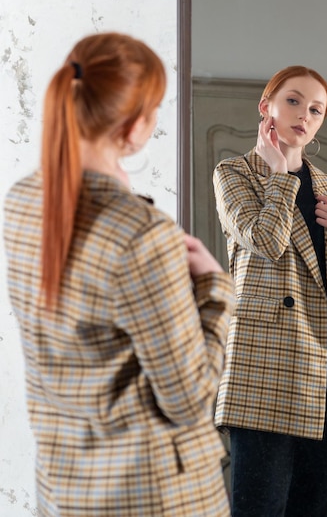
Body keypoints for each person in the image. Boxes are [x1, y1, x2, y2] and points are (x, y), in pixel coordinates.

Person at [3, 32, 234, 517]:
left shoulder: (21, 202)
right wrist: (215, 288)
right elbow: (189, 400)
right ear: (132, 129)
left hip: (66, 489)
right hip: (151, 496)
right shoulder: (141, 236)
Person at [213, 65, 327, 517]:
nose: (305, 114)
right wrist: (280, 175)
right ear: (267, 107)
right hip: (268, 368)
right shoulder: (235, 173)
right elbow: (266, 241)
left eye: (316, 109)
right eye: (294, 101)